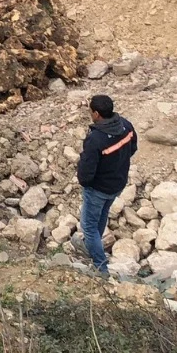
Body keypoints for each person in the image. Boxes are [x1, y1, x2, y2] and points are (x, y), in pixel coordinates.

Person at [76, 94, 137, 275]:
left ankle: (100, 267)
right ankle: (92, 245)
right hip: (117, 183)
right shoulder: (125, 126)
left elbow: (86, 171)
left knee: (88, 225)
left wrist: (86, 183)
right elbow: (132, 148)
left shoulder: (96, 139)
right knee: (100, 217)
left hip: (98, 188)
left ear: (96, 114)